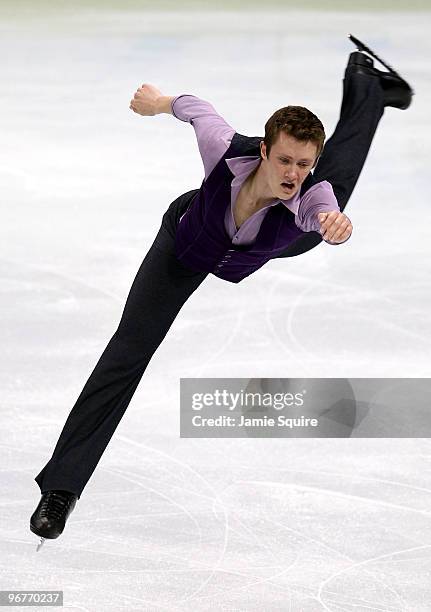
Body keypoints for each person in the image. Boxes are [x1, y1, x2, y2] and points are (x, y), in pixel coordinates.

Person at [30, 34, 413, 546]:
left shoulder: (309, 195)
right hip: (186, 242)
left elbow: (320, 207)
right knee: (127, 353)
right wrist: (159, 103)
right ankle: (61, 489)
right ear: (264, 150)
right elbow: (196, 108)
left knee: (330, 193)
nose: (293, 174)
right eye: (284, 161)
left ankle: (366, 85)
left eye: (303, 164)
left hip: (275, 242)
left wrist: (330, 222)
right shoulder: (224, 151)